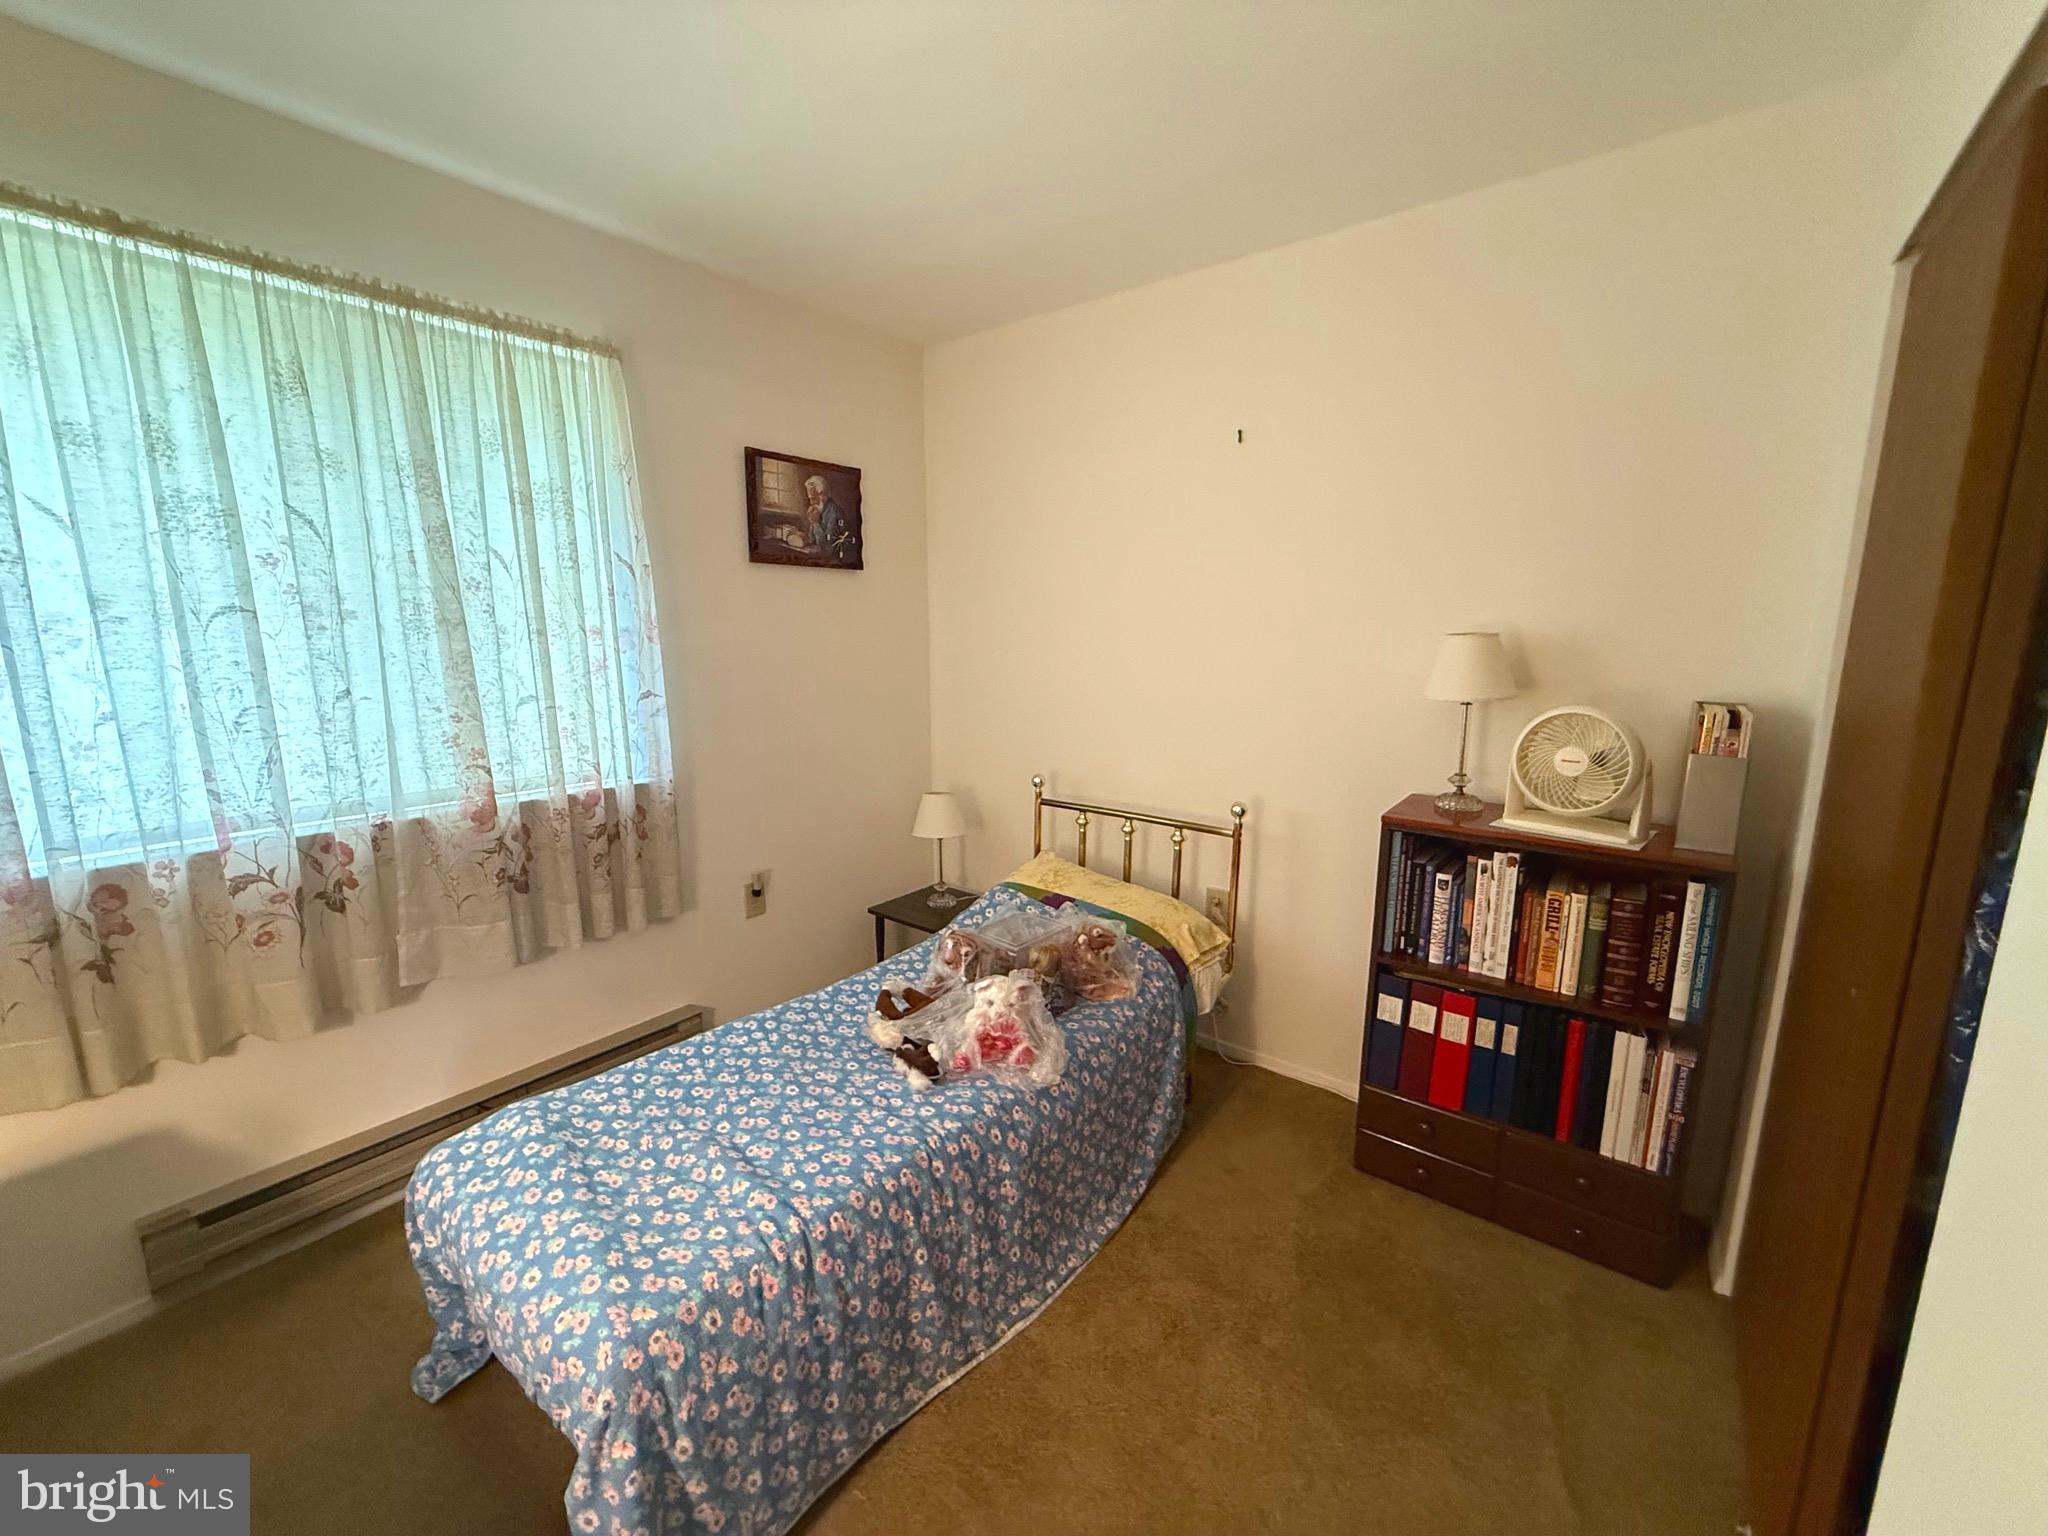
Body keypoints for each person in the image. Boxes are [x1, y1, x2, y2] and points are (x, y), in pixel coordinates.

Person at [803, 474, 851, 559]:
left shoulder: (834, 513)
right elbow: (812, 540)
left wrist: (815, 523)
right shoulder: (818, 510)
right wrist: (812, 523)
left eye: (813, 498)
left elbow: (827, 549)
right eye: (809, 499)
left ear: (822, 496)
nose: (811, 503)